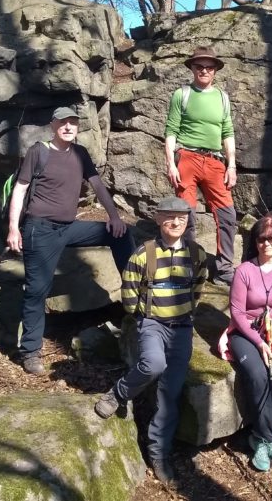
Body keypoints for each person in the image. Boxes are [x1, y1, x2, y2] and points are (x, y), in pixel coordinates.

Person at [6, 106, 135, 376]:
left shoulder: (80, 153)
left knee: (121, 234)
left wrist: (114, 216)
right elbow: (20, 188)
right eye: (63, 123)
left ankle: (134, 295)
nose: (68, 127)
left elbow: (98, 185)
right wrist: (13, 229)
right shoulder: (39, 152)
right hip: (39, 230)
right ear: (53, 125)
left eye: (73, 123)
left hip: (69, 228)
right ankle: (30, 352)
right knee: (37, 290)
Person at [94, 196, 208, 485]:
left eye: (181, 217)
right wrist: (141, 317)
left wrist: (186, 312)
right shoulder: (144, 254)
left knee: (170, 393)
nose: (175, 222)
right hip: (153, 324)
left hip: (182, 327)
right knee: (153, 364)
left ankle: (159, 452)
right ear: (158, 219)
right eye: (169, 216)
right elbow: (129, 289)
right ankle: (118, 394)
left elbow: (198, 287)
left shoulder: (196, 254)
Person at [227, 215, 272, 472]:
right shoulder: (244, 271)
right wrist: (259, 343)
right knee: (257, 374)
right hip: (247, 332)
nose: (267, 244)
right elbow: (237, 312)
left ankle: (261, 437)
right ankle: (268, 437)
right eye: (261, 239)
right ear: (255, 242)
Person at [164, 45, 238, 286]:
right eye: (199, 66)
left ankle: (225, 268)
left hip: (216, 161)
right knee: (186, 215)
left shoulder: (222, 98)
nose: (204, 70)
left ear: (215, 70)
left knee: (227, 215)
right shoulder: (182, 94)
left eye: (209, 67)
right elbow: (171, 131)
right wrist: (171, 165)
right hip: (186, 158)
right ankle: (190, 265)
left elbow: (227, 132)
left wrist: (232, 165)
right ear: (193, 68)